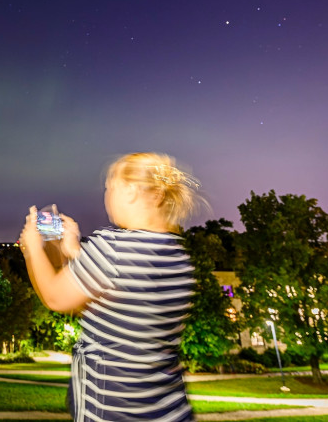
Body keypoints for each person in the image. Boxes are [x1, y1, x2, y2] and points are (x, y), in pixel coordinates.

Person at [19, 152, 201, 422]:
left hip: (114, 411)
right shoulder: (177, 256)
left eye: (109, 188)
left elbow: (56, 298)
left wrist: (32, 248)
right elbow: (115, 309)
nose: (106, 197)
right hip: (167, 410)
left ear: (129, 191)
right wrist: (75, 254)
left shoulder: (112, 248)